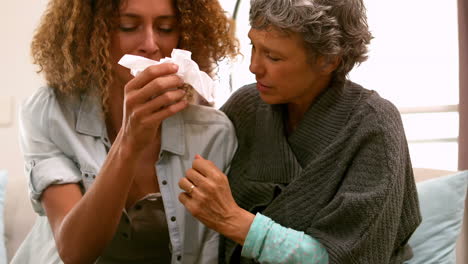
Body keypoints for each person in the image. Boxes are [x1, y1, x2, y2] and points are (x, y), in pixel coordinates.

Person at [178, 0, 422, 263]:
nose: (254, 67)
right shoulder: (246, 107)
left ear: (328, 60)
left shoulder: (374, 125)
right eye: (253, 47)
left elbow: (349, 256)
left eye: (273, 56)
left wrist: (233, 220)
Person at [12, 0, 238, 263]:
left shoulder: (213, 133)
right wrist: (130, 142)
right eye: (127, 26)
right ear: (91, 32)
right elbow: (74, 252)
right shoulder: (50, 114)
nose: (151, 44)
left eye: (166, 28)